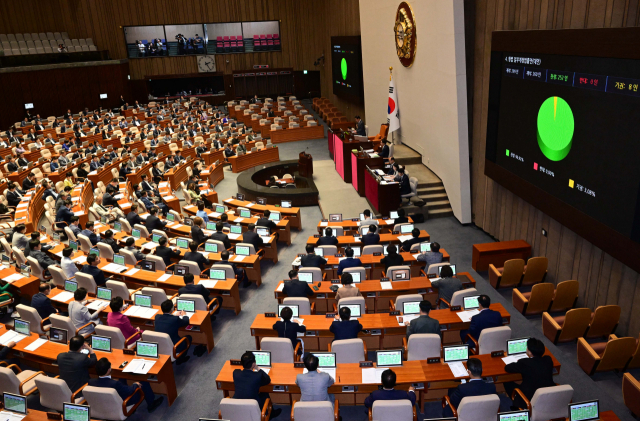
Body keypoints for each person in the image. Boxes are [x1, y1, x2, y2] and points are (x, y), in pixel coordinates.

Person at [90, 357, 163, 412]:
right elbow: (130, 391)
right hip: (124, 402)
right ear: (109, 369)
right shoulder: (115, 384)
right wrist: (135, 384)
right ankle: (151, 404)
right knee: (143, 382)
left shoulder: (91, 382)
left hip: (104, 403)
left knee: (122, 378)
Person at [504, 338, 555, 409]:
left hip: (529, 398)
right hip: (547, 395)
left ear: (530, 352)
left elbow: (507, 368)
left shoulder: (525, 362)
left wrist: (519, 363)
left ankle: (516, 405)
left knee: (506, 382)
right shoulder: (548, 359)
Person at [232, 352, 280, 418]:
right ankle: (270, 414)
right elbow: (268, 380)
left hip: (237, 407)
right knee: (265, 393)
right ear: (253, 364)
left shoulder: (235, 373)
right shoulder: (257, 376)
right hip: (252, 407)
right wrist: (257, 368)